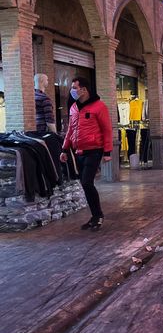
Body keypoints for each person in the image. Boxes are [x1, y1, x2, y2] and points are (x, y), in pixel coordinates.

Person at [60, 77, 113, 231]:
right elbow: (70, 130)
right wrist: (64, 149)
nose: (72, 91)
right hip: (78, 151)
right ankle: (95, 216)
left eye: (75, 87)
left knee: (87, 182)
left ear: (84, 90)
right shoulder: (74, 108)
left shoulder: (99, 107)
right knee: (85, 184)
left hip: (94, 150)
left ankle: (98, 216)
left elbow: (107, 130)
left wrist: (107, 152)